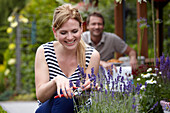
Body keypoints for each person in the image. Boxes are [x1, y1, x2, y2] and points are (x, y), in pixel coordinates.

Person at [34, 4, 100, 113]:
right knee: (62, 94)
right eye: (63, 33)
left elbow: (84, 101)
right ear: (55, 32)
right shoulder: (44, 51)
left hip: (76, 109)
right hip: (47, 110)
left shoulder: (92, 55)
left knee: (66, 97)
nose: (70, 38)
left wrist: (88, 90)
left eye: (74, 31)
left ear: (81, 29)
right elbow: (41, 96)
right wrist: (56, 81)